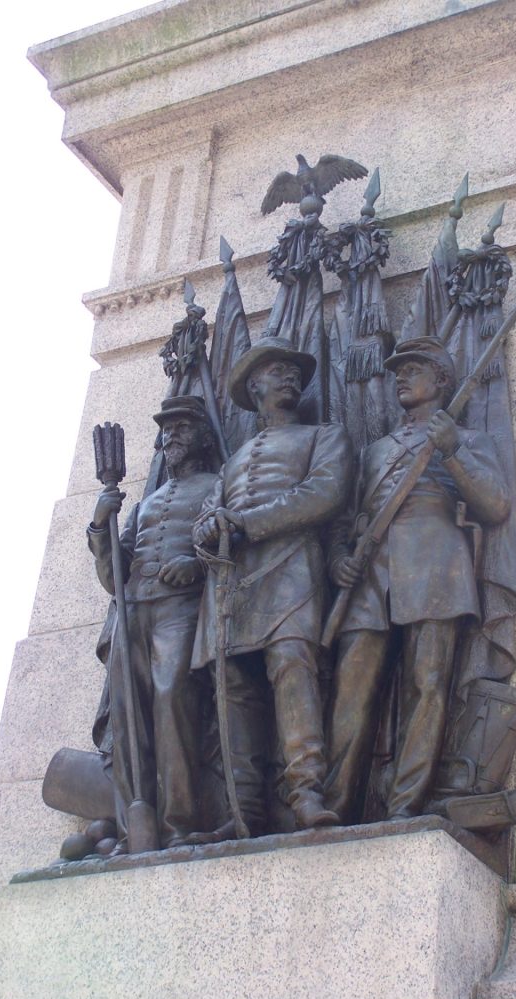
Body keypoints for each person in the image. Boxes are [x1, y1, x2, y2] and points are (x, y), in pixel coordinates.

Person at [325, 337, 511, 824]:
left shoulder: (469, 442)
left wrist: (451, 451)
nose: (401, 379)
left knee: (426, 686)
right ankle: (332, 806)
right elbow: (346, 521)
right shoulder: (375, 450)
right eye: (397, 372)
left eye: (413, 369)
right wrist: (338, 560)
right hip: (372, 577)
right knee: (351, 690)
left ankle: (405, 807)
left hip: (436, 567)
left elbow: (495, 506)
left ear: (442, 380)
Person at [192, 336, 352, 834]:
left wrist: (247, 523)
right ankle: (242, 808)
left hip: (290, 569)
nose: (290, 377)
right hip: (231, 581)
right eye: (277, 370)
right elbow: (204, 517)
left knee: (292, 668)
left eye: (294, 371)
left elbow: (323, 493)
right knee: (233, 687)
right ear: (254, 385)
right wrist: (209, 527)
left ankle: (305, 792)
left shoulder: (324, 436)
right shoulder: (232, 461)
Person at [88, 395, 218, 850]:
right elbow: (114, 578)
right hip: (136, 612)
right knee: (129, 717)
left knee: (171, 704)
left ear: (203, 436)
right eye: (167, 430)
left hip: (181, 609)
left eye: (182, 427)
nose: (172, 436)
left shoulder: (219, 483)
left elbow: (235, 543)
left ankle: (180, 821)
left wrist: (198, 564)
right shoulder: (146, 503)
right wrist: (100, 526)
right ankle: (134, 829)